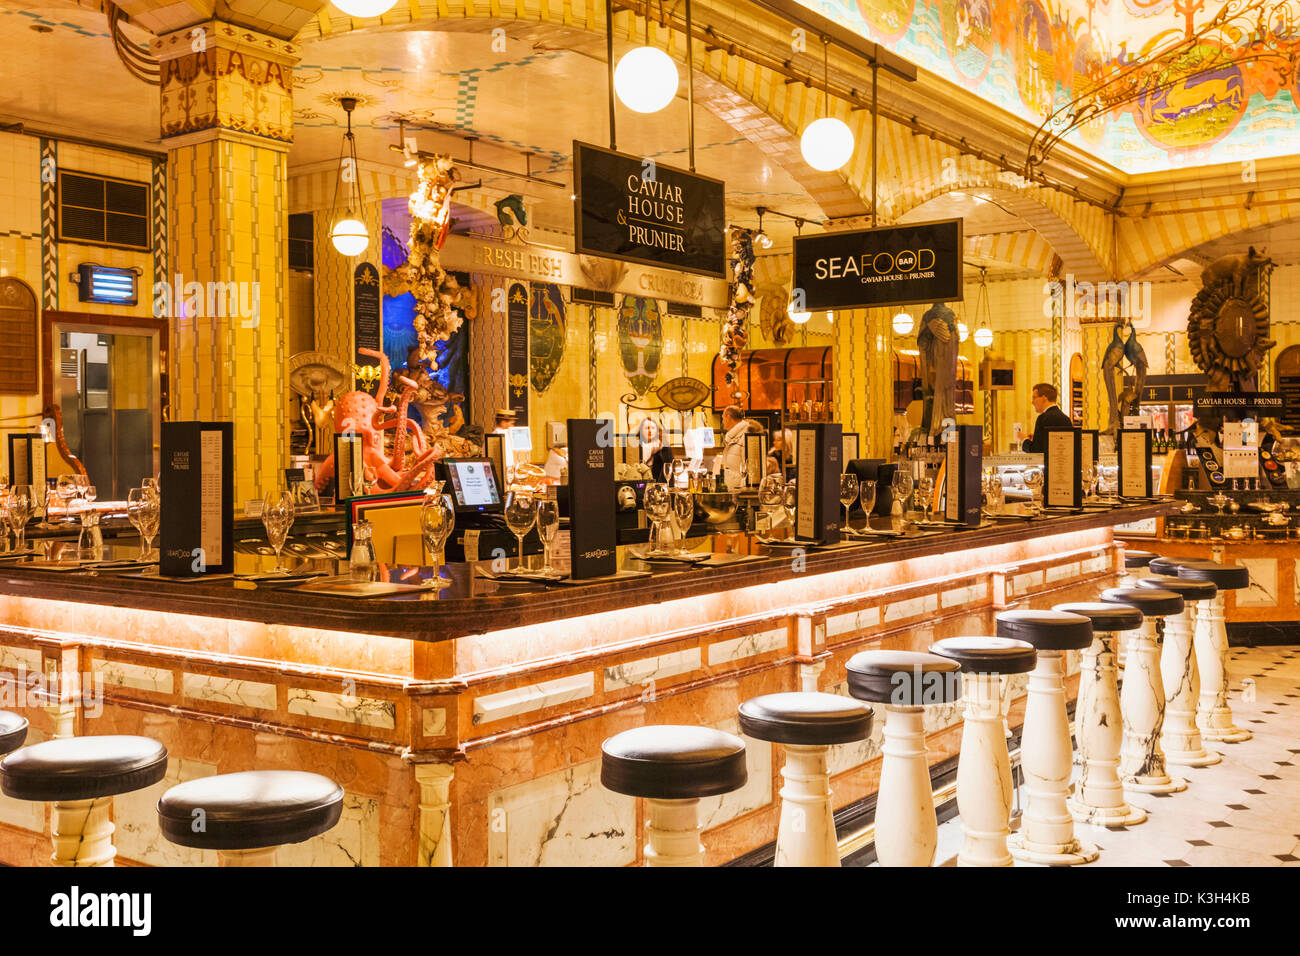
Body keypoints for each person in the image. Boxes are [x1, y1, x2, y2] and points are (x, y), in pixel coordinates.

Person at [1021, 383, 1072, 453]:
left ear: (1044, 398)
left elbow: (1036, 451)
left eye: (1034, 397)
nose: (1032, 402)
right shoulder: (1066, 419)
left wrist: (1024, 440)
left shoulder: (1042, 418)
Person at [712, 405, 754, 490]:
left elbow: (750, 467)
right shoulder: (733, 437)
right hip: (732, 488)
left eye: (723, 418)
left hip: (739, 491)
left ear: (728, 417)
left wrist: (743, 489)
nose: (723, 422)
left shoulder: (745, 436)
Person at [638, 418, 674, 484]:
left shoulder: (664, 447)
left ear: (657, 431)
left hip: (659, 485)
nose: (650, 431)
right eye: (647, 428)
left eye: (653, 428)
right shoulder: (636, 448)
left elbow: (670, 469)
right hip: (640, 484)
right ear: (641, 431)